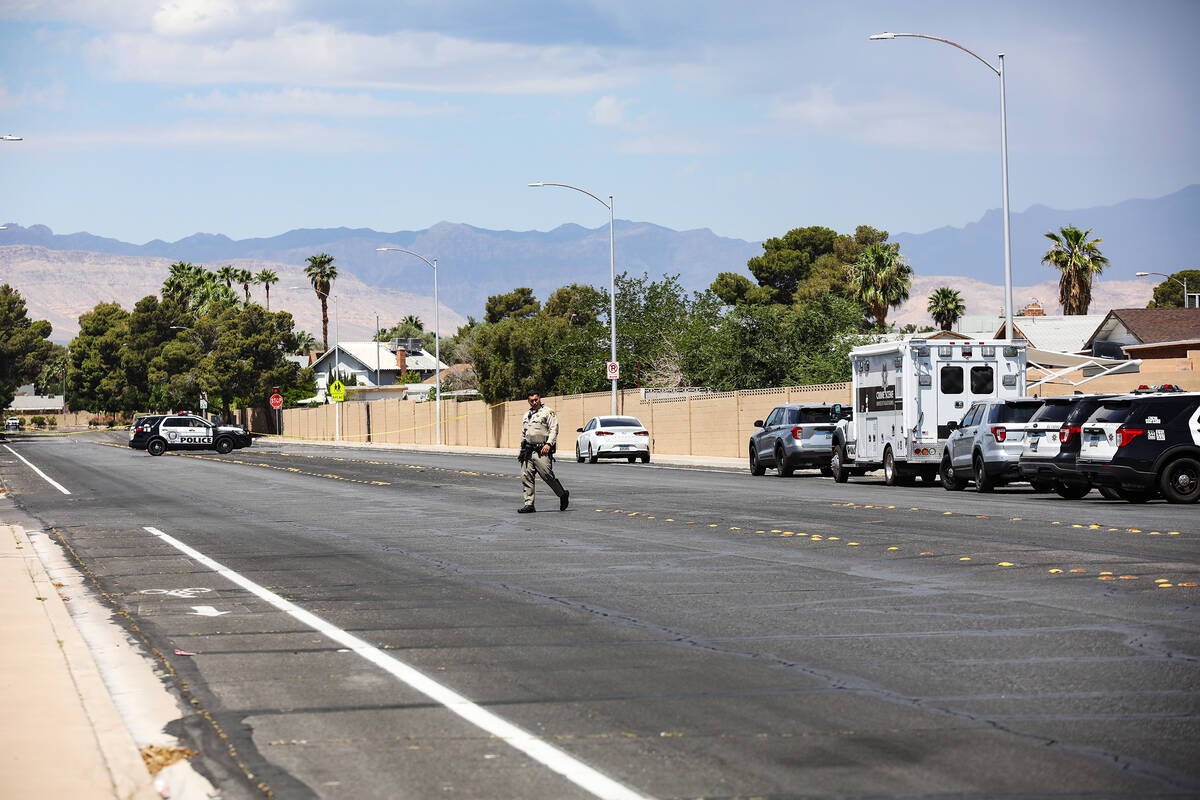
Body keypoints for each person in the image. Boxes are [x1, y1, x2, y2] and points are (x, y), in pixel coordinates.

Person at [518, 390, 569, 513]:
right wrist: (521, 449)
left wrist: (548, 444)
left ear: (540, 398)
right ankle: (529, 504)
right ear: (528, 401)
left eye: (536, 399)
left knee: (547, 475)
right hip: (528, 450)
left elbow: (553, 429)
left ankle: (562, 494)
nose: (534, 402)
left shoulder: (548, 412)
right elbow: (524, 433)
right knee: (526, 476)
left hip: (542, 450)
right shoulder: (526, 415)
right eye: (532, 400)